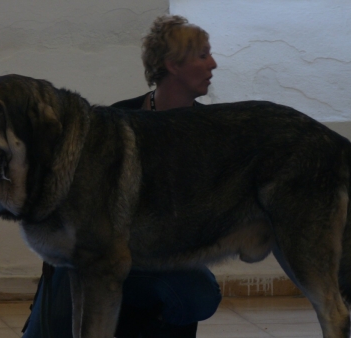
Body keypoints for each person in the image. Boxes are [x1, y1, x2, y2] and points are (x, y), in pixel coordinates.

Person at [22, 15, 220, 338]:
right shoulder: (117, 119)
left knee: (199, 294)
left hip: (160, 260)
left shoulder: (212, 133)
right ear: (172, 64)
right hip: (99, 252)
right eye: (202, 55)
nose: (213, 64)